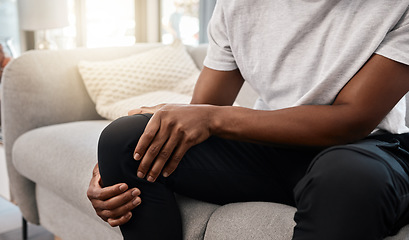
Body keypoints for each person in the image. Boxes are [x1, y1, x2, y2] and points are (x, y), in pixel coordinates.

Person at [87, 1, 409, 239]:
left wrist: (214, 118)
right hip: (268, 145)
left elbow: (351, 120)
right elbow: (205, 108)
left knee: (347, 179)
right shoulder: (238, 4)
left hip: (368, 147)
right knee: (124, 139)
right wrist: (118, 164)